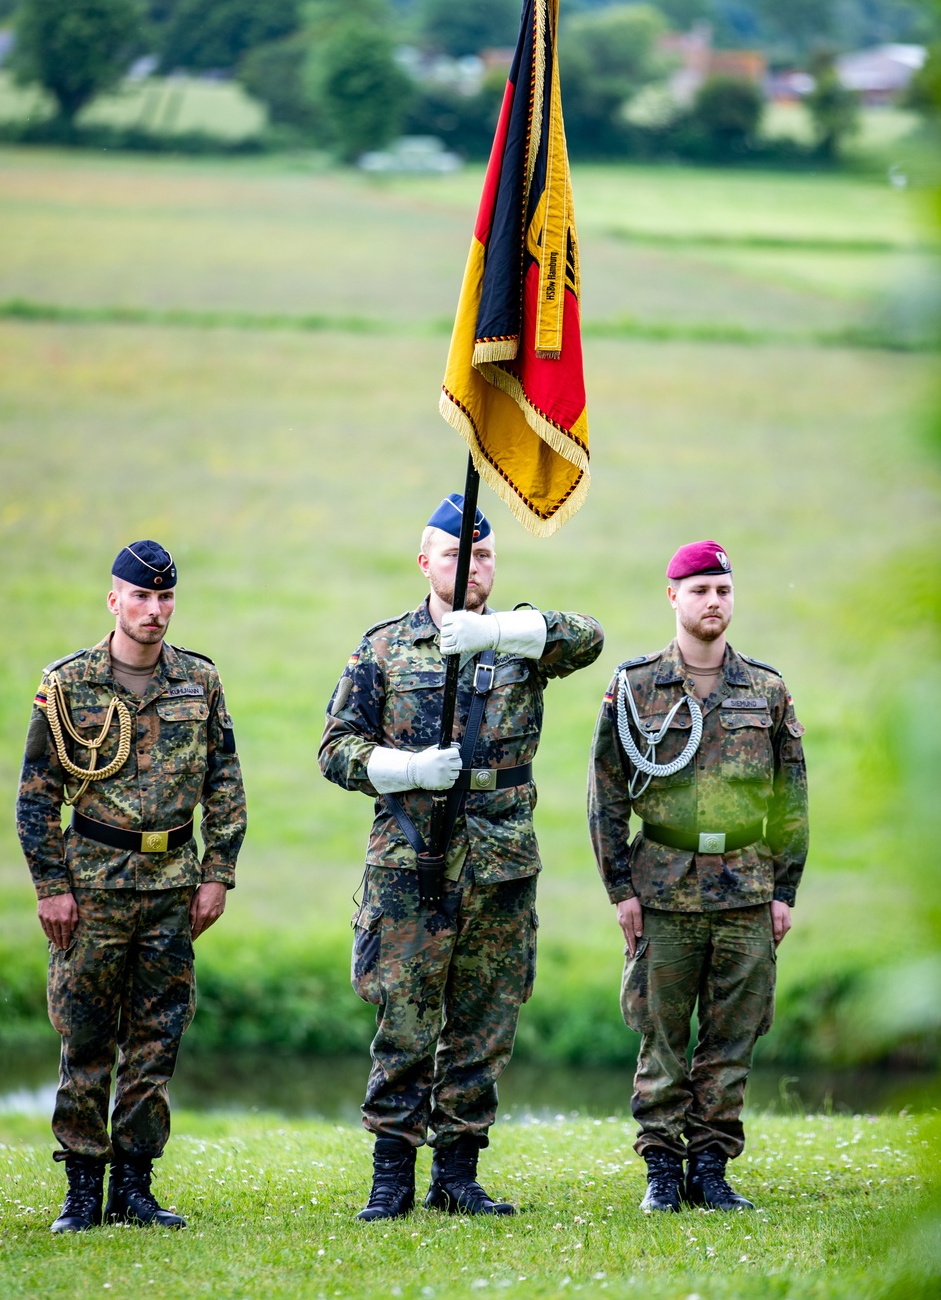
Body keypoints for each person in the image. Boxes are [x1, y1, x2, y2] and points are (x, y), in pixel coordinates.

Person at [319, 493, 604, 1221]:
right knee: (406, 1022)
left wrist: (503, 631)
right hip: (414, 865)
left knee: (484, 1022)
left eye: (483, 555)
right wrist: (405, 769)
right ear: (425, 563)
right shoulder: (383, 648)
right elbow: (336, 749)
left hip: (502, 863)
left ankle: (458, 1175)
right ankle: (391, 1179)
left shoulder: (519, 642)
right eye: (456, 554)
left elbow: (589, 638)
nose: (472, 566)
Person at [16, 540, 246, 1234]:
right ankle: (82, 1192)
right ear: (114, 599)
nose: (154, 611)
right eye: (141, 597)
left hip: (172, 886)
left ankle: (135, 1190)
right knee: (85, 1039)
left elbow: (225, 784)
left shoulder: (198, 682)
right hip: (93, 888)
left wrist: (218, 874)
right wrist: (51, 886)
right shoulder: (68, 684)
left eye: (165, 598)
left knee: (157, 1039)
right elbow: (36, 797)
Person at [587, 540, 808, 1214]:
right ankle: (661, 1169)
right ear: (673, 598)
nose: (714, 602)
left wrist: (783, 891)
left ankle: (710, 1168)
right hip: (663, 888)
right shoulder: (633, 687)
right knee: (660, 1032)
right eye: (701, 590)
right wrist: (621, 889)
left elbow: (791, 798)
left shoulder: (766, 690)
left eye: (723, 590)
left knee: (732, 1033)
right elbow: (606, 794)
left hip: (745, 886)